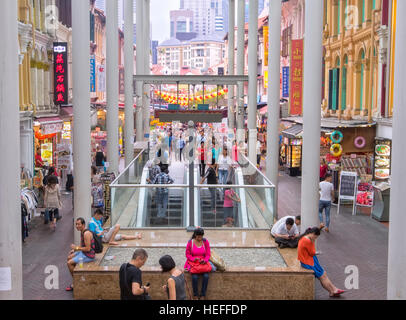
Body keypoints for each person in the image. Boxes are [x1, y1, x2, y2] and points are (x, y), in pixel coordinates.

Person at [297, 226, 345, 297]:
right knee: (322, 276)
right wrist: (313, 242)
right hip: (308, 262)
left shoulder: (304, 237)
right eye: (315, 237)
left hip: (308, 260)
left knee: (323, 274)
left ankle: (334, 289)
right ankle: (332, 291)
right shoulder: (308, 240)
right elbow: (312, 252)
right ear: (312, 234)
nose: (315, 239)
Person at [66, 218, 96, 291]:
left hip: (89, 255)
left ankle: (76, 282)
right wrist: (74, 250)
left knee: (69, 263)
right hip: (84, 252)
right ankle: (77, 277)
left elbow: (88, 249)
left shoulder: (86, 234)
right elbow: (81, 246)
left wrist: (76, 247)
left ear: (83, 225)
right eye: (76, 224)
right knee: (69, 257)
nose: (77, 226)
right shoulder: (82, 232)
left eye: (79, 224)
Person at [184, 228, 211, 300]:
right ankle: (195, 295)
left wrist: (205, 260)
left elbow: (208, 254)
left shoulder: (205, 242)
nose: (200, 238)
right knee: (194, 277)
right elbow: (187, 254)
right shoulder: (190, 242)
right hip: (193, 263)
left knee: (206, 276)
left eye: (201, 236)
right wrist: (193, 259)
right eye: (198, 236)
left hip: (203, 263)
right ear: (195, 235)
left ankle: (203, 295)